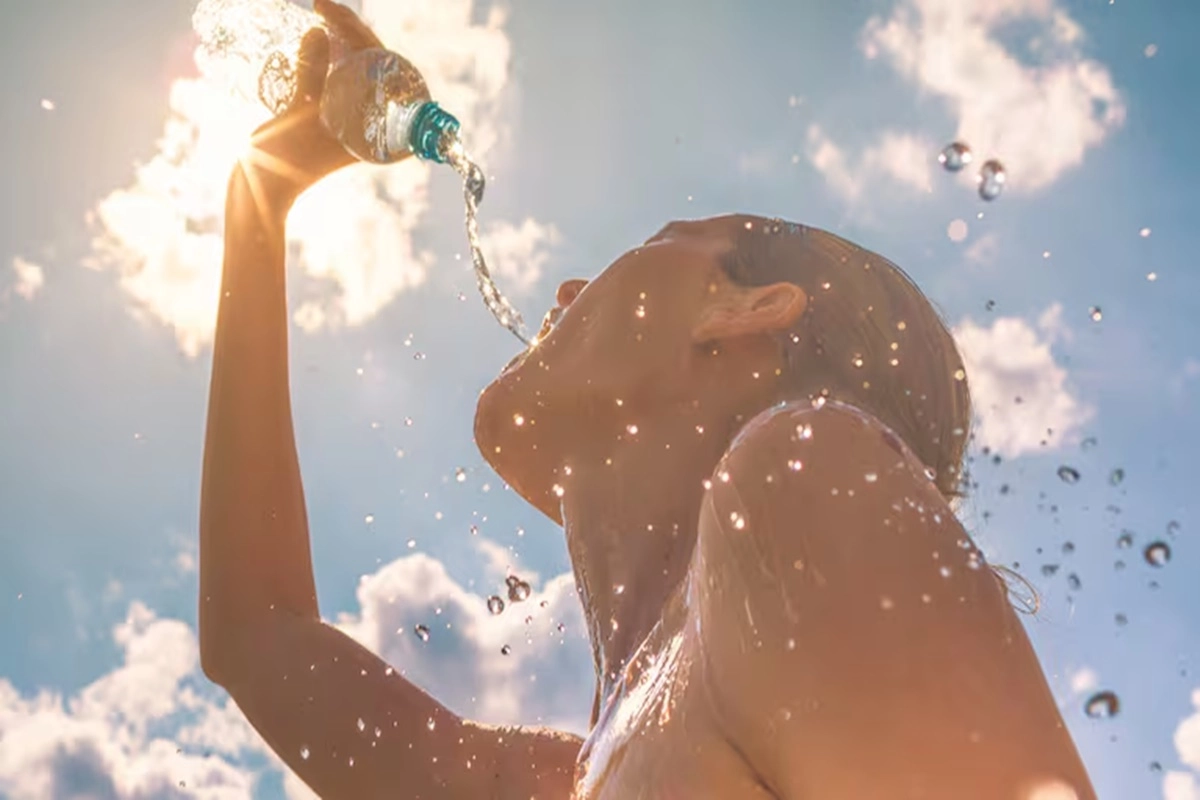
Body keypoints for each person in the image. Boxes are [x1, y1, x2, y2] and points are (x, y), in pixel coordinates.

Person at [198, 1, 1098, 797]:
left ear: (745, 311)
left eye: (666, 238)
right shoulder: (577, 773)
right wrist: (261, 194)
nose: (571, 284)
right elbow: (258, 636)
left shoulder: (805, 477)